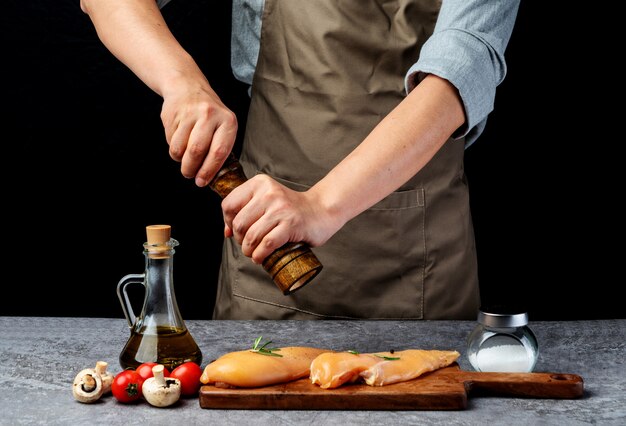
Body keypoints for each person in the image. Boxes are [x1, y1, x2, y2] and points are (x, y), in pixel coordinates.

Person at [80, 0, 520, 320]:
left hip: (421, 269)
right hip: (267, 258)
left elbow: (464, 63)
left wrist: (321, 205)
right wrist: (182, 83)